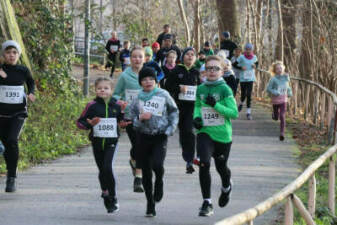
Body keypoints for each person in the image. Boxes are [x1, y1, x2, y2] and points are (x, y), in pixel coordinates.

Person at [130, 67, 179, 217]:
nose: (148, 82)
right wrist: (140, 119)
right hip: (143, 137)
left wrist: (170, 129)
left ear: (156, 81)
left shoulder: (163, 94)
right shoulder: (137, 98)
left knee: (157, 165)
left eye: (151, 79)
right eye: (144, 79)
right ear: (140, 83)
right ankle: (150, 204)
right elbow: (131, 118)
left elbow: (174, 111)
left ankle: (160, 181)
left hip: (160, 136)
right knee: (145, 173)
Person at [193, 55, 238, 216]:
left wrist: (216, 105)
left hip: (223, 136)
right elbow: (198, 106)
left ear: (222, 71)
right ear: (205, 71)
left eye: (216, 68)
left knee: (221, 168)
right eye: (209, 68)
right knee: (204, 163)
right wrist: (196, 118)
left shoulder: (225, 89)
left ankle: (226, 186)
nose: (212, 71)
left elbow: (233, 113)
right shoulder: (201, 89)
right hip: (205, 132)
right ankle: (207, 202)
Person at [77, 77, 124, 213]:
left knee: (107, 167)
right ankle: (105, 192)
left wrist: (123, 123)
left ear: (111, 90)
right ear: (95, 90)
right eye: (99, 88)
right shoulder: (91, 106)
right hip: (97, 143)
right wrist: (90, 124)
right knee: (102, 170)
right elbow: (80, 122)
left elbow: (123, 120)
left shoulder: (116, 105)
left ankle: (113, 196)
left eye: (106, 88)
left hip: (111, 142)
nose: (102, 90)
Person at [0, 40, 36, 192]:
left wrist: (31, 93)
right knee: (7, 146)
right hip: (1, 114)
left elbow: (31, 82)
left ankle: (12, 178)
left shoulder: (23, 70)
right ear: (3, 55)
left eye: (14, 52)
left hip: (18, 113)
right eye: (8, 52)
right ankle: (9, 172)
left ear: (18, 55)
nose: (11, 55)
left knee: (12, 140)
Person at [113, 46, 145, 193]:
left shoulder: (149, 75)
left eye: (140, 56)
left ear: (144, 59)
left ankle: (135, 167)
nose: (137, 59)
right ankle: (138, 176)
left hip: (146, 118)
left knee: (141, 146)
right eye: (134, 56)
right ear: (130, 59)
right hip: (130, 117)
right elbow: (115, 95)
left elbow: (157, 95)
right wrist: (120, 103)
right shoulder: (125, 76)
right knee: (138, 144)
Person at [165, 47, 200, 174]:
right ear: (183, 57)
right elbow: (167, 87)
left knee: (189, 131)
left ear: (195, 58)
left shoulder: (197, 72)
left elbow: (202, 89)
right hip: (178, 107)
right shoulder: (176, 71)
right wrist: (178, 88)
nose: (190, 57)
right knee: (183, 132)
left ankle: (189, 160)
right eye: (187, 54)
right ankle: (187, 154)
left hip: (192, 107)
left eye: (192, 55)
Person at [266, 61, 293, 141]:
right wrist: (275, 92)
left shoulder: (286, 77)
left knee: (282, 116)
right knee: (276, 117)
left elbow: (287, 87)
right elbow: (268, 89)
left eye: (281, 68)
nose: (279, 70)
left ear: (283, 69)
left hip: (283, 100)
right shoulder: (273, 79)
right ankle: (274, 114)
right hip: (275, 100)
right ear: (274, 70)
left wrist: (289, 92)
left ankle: (282, 133)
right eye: (277, 69)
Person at [237, 43, 258, 120]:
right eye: (247, 49)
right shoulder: (241, 57)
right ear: (244, 50)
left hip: (251, 78)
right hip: (243, 78)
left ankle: (248, 112)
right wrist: (241, 67)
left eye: (250, 49)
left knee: (249, 94)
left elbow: (257, 64)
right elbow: (234, 64)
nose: (248, 51)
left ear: (252, 50)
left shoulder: (254, 57)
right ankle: (241, 103)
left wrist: (255, 66)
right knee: (243, 94)